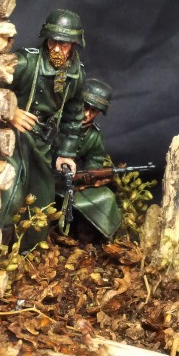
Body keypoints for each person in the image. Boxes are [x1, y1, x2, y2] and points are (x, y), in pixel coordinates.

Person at [0, 9, 86, 240]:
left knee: (42, 202)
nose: (56, 49)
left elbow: (73, 116)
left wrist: (66, 153)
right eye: (53, 41)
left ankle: (27, 250)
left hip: (43, 143)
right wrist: (11, 111)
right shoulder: (26, 62)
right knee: (10, 195)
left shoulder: (77, 76)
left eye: (63, 44)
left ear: (74, 44)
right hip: (14, 139)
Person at [61, 78, 122, 241]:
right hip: (49, 178)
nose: (87, 114)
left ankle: (88, 241)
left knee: (106, 197)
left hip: (74, 181)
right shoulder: (60, 122)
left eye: (93, 111)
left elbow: (95, 159)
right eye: (85, 106)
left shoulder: (94, 136)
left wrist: (89, 175)